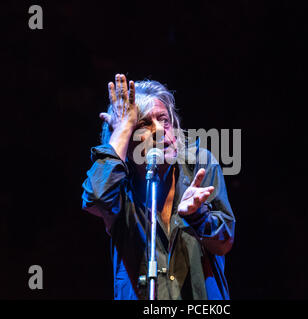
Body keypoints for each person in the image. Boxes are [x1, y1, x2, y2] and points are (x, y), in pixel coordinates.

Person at [81, 73, 235, 300]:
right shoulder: (119, 185)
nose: (159, 130)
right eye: (143, 124)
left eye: (164, 119)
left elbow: (225, 242)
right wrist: (122, 128)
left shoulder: (199, 165)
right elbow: (96, 198)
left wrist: (198, 215)